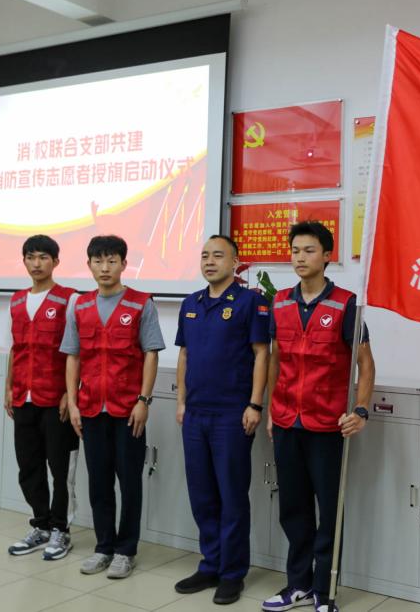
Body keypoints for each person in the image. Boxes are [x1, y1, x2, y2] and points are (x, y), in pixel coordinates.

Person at [262, 222, 375, 612]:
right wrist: (271, 410)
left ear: (327, 256)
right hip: (287, 422)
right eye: (295, 250)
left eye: (309, 250)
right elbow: (276, 358)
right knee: (293, 508)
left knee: (329, 511)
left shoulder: (345, 304)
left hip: (327, 425)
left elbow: (365, 363)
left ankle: (324, 592)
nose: (300, 257)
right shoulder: (279, 302)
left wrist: (360, 409)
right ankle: (298, 585)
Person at [60, 235, 165, 579]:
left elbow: (151, 354)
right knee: (99, 483)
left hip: (127, 410)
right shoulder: (79, 306)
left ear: (124, 264)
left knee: (129, 482)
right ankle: (104, 547)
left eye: (112, 261)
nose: (105, 268)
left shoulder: (141, 304)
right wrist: (73, 403)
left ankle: (126, 550)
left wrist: (144, 401)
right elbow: (73, 357)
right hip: (91, 408)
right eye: (98, 261)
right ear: (89, 265)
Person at [173, 235, 270, 604]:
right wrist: (181, 402)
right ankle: (210, 564)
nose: (210, 262)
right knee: (202, 495)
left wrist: (255, 404)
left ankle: (232, 573)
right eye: (204, 256)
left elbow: (261, 354)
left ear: (235, 261)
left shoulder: (250, 302)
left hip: (232, 414)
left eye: (218, 255)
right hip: (195, 413)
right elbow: (184, 356)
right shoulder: (191, 304)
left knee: (231, 496)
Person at [5, 235, 80, 561]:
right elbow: (15, 349)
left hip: (55, 399)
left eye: (43, 257)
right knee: (28, 466)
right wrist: (8, 387)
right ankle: (41, 525)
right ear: (24, 261)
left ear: (56, 262)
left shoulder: (70, 299)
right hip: (23, 397)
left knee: (60, 470)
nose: (37, 263)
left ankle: (61, 530)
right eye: (31, 257)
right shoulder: (16, 301)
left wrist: (69, 394)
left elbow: (77, 352)